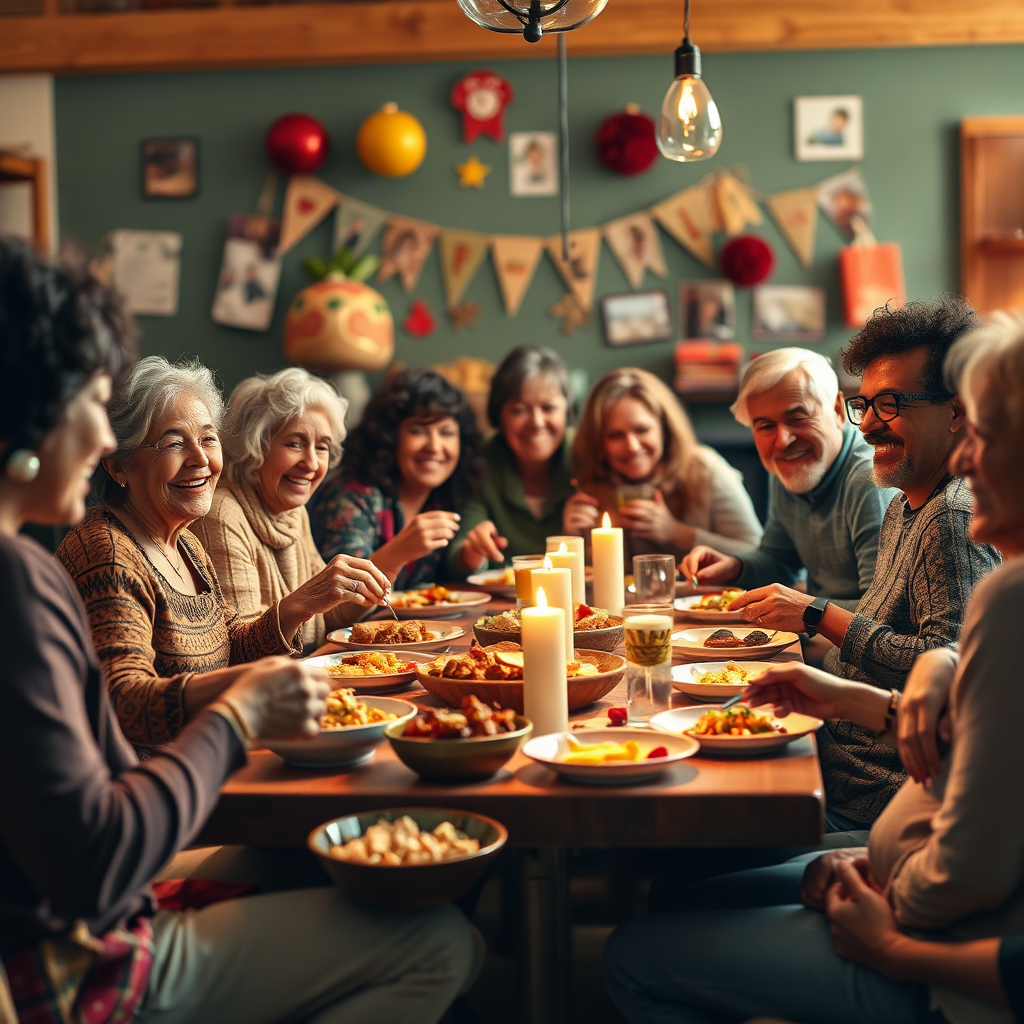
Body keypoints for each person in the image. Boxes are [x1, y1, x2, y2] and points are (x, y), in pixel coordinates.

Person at [0, 239, 474, 1024]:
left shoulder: (155, 544)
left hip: (130, 868)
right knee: (440, 942)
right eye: (91, 403)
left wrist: (268, 654)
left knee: (351, 856)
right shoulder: (44, 569)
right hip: (74, 963)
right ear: (31, 409)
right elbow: (95, 857)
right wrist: (237, 714)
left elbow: (225, 652)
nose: (98, 438)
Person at [604, 308, 1024, 1024]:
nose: (871, 424)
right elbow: (982, 732)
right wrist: (854, 695)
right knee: (678, 887)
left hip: (910, 888)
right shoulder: (910, 512)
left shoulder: (973, 550)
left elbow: (972, 854)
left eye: (891, 405)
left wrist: (879, 888)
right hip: (891, 834)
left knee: (640, 946)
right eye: (870, 404)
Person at [55, 356, 389, 748]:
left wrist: (300, 605)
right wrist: (248, 688)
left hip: (212, 753)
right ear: (118, 467)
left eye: (208, 439)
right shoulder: (107, 552)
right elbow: (123, 704)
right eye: (174, 443)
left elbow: (234, 646)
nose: (200, 460)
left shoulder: (185, 541)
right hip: (156, 782)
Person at [682, 347, 895, 619]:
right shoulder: (790, 468)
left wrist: (803, 609)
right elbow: (780, 562)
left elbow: (880, 613)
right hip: (823, 638)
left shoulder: (869, 480)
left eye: (797, 418)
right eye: (765, 426)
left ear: (838, 410)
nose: (782, 441)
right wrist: (735, 566)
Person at [192, 367, 390, 654]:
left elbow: (324, 619)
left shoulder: (294, 511)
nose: (311, 463)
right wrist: (306, 600)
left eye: (322, 447)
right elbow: (241, 651)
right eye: (295, 443)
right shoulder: (223, 514)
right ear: (255, 447)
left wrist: (361, 594)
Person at [563, 367, 762, 564]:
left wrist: (677, 533)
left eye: (642, 430)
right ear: (599, 443)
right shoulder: (591, 488)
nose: (632, 447)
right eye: (616, 436)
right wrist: (574, 541)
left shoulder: (705, 469)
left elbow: (759, 556)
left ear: (665, 429)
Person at [308, 368, 482, 589]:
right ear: (390, 437)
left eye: (446, 432)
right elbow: (343, 595)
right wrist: (399, 550)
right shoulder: (350, 496)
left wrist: (470, 556)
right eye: (418, 431)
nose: (434, 447)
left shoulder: (444, 499)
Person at [449, 345, 575, 575]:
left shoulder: (588, 456)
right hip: (502, 607)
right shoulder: (478, 460)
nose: (537, 422)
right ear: (499, 415)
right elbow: (457, 557)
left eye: (548, 408)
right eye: (519, 410)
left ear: (567, 411)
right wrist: (472, 552)